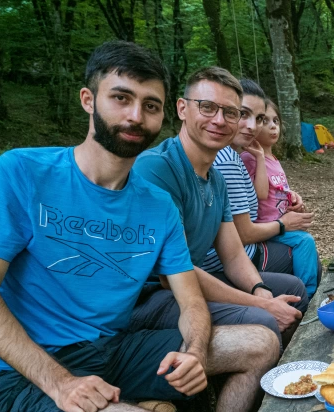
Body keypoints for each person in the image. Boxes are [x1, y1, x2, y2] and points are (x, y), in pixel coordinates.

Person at [0, 42, 280, 412]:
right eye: (121, 98)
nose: (136, 116)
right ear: (89, 100)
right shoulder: (23, 173)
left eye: (149, 106)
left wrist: (194, 350)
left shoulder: (155, 204)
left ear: (161, 115)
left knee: (260, 342)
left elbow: (191, 300)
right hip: (25, 372)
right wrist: (58, 382)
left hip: (112, 351)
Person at [131, 67, 308, 351]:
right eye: (207, 107)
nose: (219, 120)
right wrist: (262, 304)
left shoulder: (215, 177)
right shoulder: (157, 168)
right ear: (182, 108)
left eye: (230, 112)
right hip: (151, 295)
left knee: (292, 291)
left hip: (194, 280)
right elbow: (173, 271)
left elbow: (234, 254)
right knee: (263, 318)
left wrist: (259, 289)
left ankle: (276, 381)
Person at [203, 79, 320, 297]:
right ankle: (307, 302)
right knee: (305, 252)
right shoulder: (229, 159)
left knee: (309, 256)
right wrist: (283, 224)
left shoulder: (236, 157)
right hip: (236, 258)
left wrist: (290, 198)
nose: (251, 125)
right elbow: (245, 231)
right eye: (242, 114)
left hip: (240, 252)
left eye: (258, 119)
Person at [237, 86, 321, 298]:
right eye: (265, 121)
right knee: (305, 242)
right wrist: (259, 159)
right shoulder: (249, 158)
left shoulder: (274, 159)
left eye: (276, 121)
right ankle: (307, 295)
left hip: (280, 220)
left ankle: (308, 289)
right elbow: (261, 194)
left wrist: (293, 197)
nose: (273, 127)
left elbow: (279, 189)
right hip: (264, 227)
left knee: (306, 244)